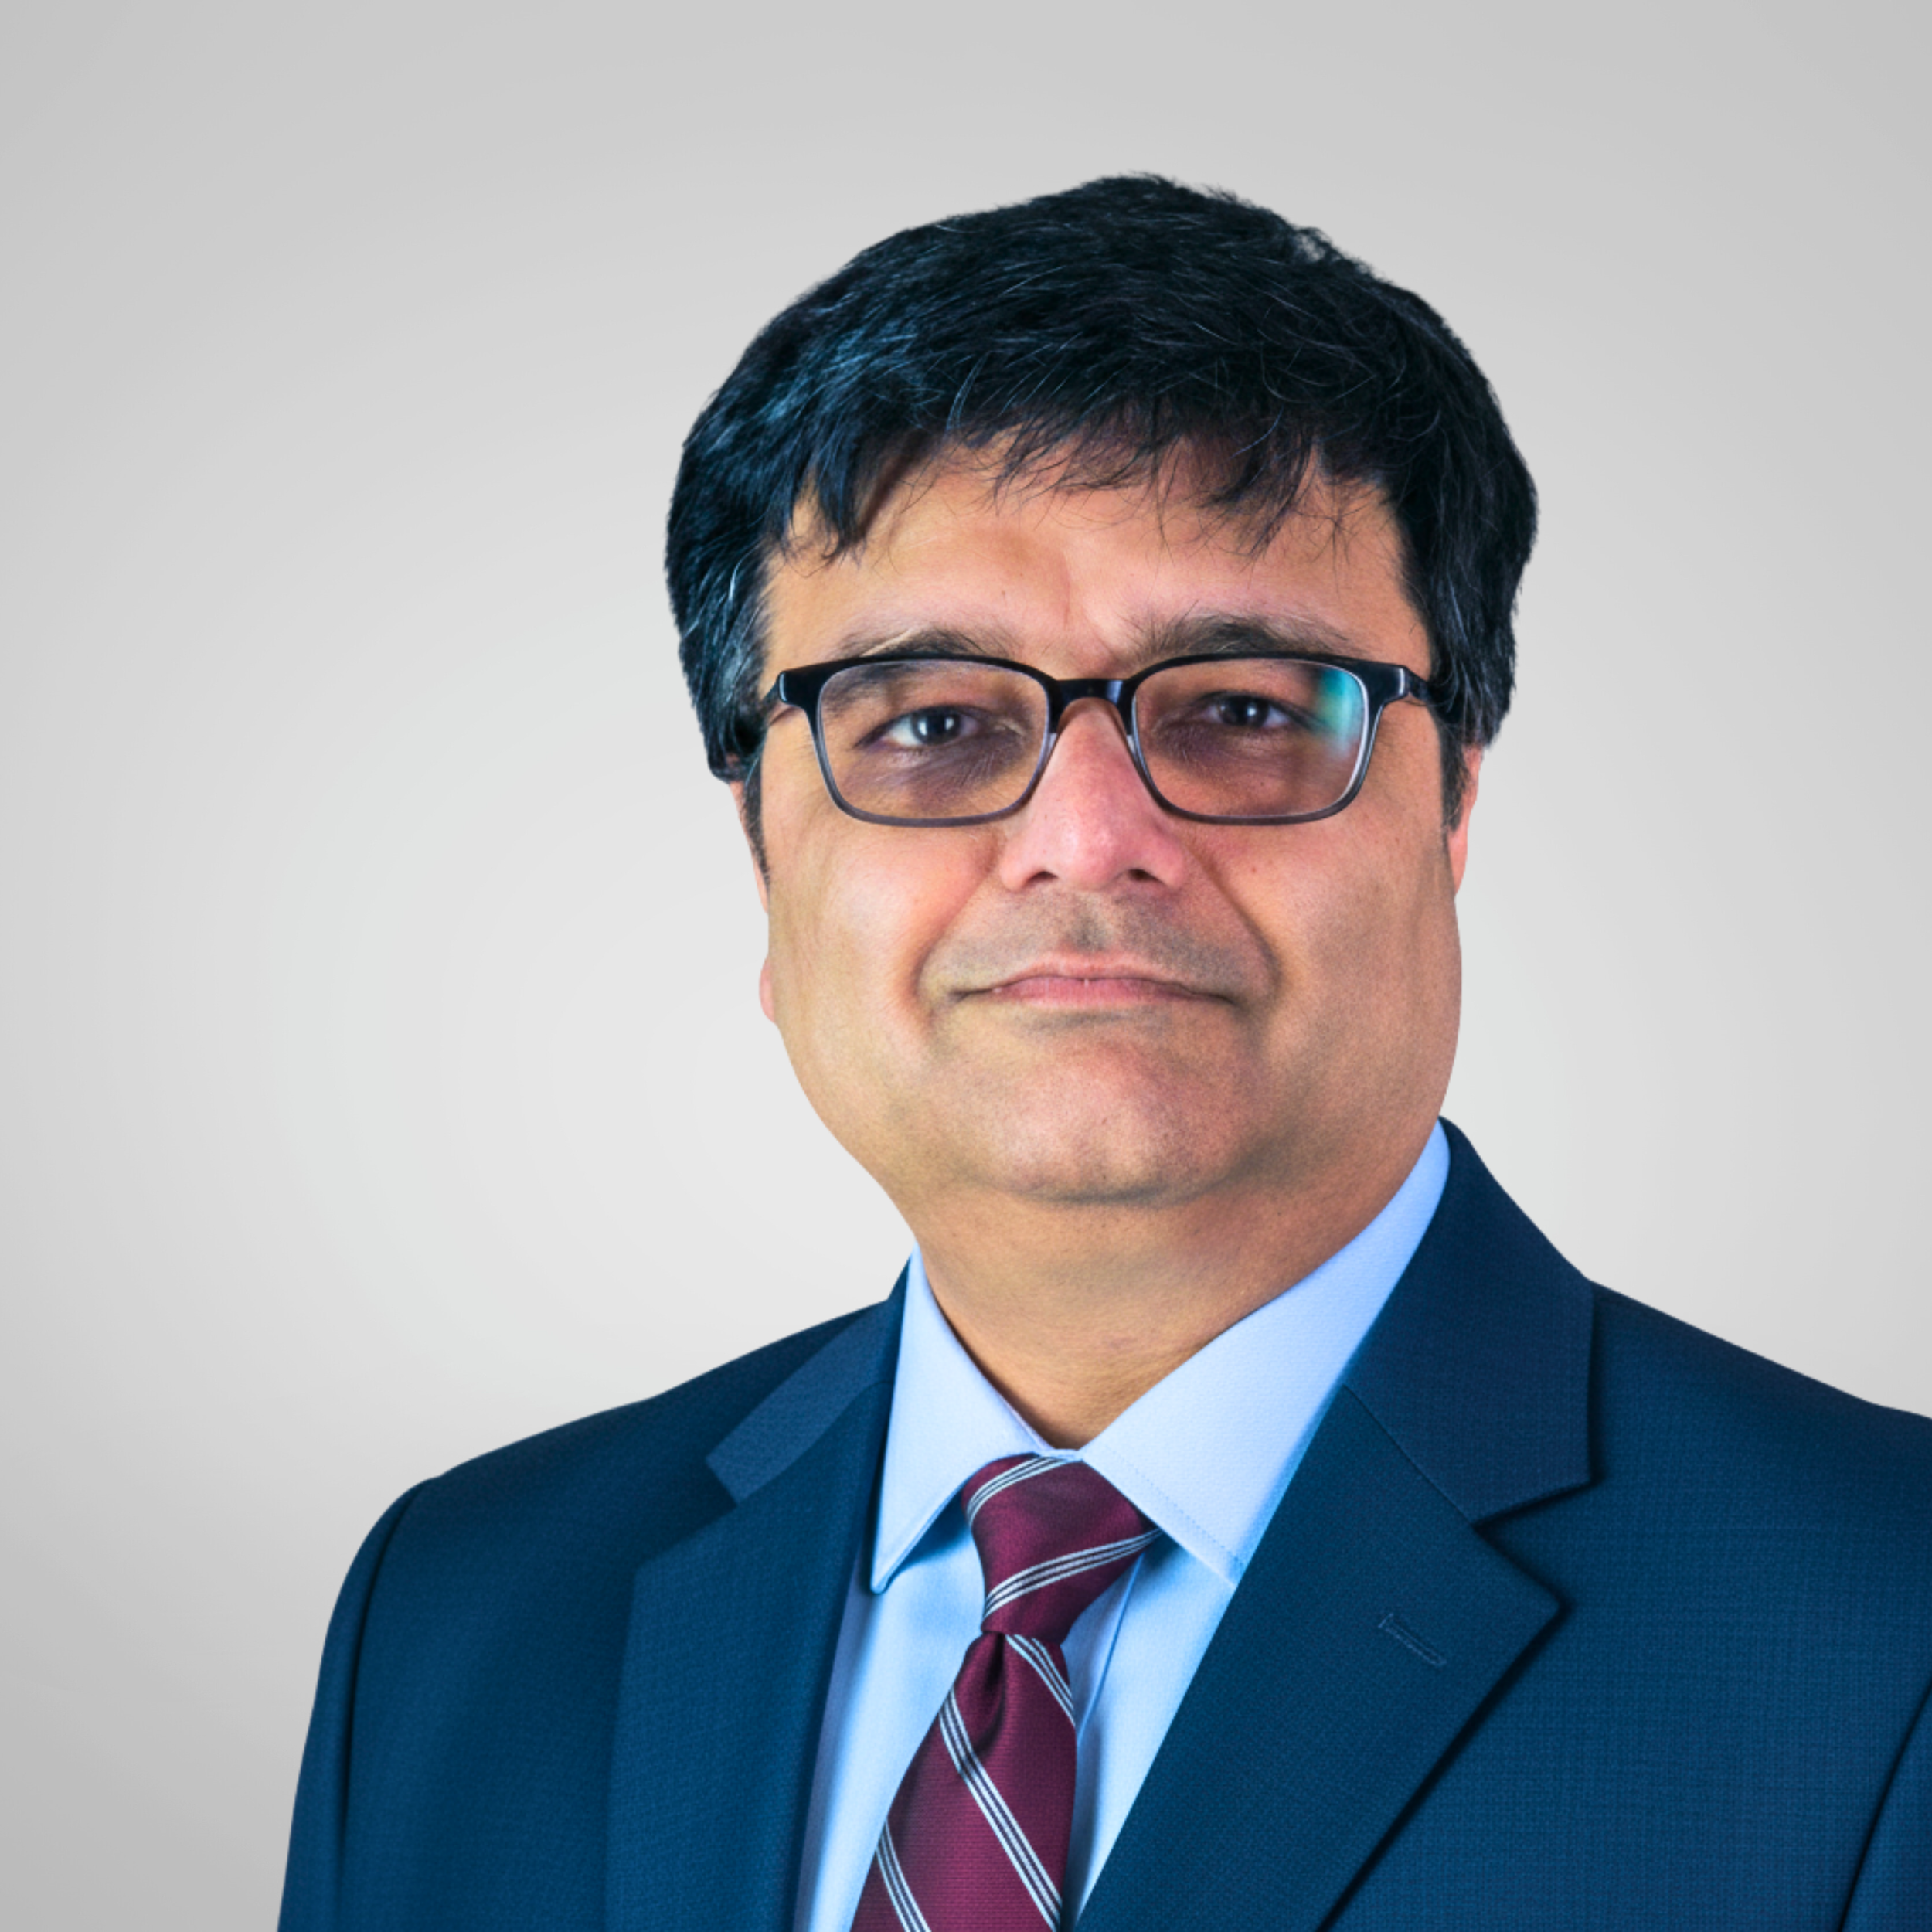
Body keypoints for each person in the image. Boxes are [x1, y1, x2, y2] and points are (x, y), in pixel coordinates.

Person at [277, 178, 1932, 1931]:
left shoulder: (1882, 1631)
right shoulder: (462, 1614)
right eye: (927, 724)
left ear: (1449, 808)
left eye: (1237, 709)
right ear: (763, 861)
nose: (1087, 837)